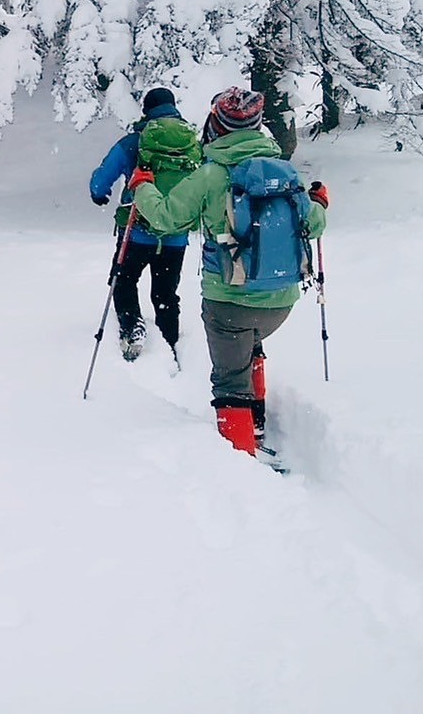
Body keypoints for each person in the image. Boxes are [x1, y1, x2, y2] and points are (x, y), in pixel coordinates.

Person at [128, 87, 329, 457]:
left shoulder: (211, 175)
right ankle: (257, 428)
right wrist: (319, 202)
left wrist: (143, 187)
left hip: (229, 301)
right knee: (251, 347)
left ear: (216, 125)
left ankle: (241, 460)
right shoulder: (285, 172)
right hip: (281, 299)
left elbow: (166, 218)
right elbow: (314, 224)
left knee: (230, 380)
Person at [88, 87, 197, 363]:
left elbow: (101, 181)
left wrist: (99, 194)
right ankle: (171, 343)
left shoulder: (134, 143)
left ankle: (132, 327)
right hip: (175, 234)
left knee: (123, 281)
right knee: (166, 293)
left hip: (136, 232)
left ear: (146, 111)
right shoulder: (191, 145)